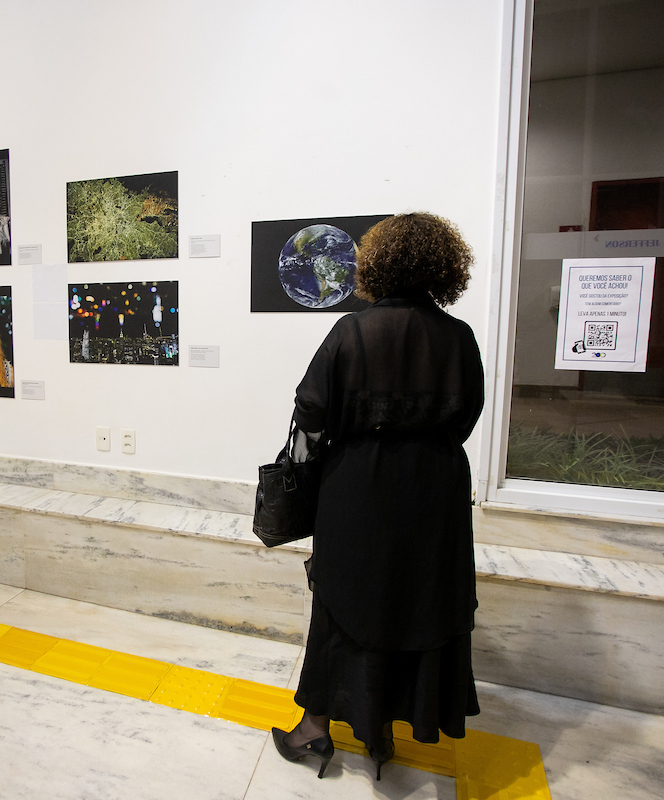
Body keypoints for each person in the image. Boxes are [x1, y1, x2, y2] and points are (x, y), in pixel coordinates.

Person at [271, 212, 484, 781]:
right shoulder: (458, 337)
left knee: (345, 600)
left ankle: (316, 729)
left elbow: (311, 410)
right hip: (435, 487)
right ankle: (385, 731)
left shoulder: (353, 331)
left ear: (377, 264)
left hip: (358, 484)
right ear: (445, 268)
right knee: (417, 599)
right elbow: (466, 417)